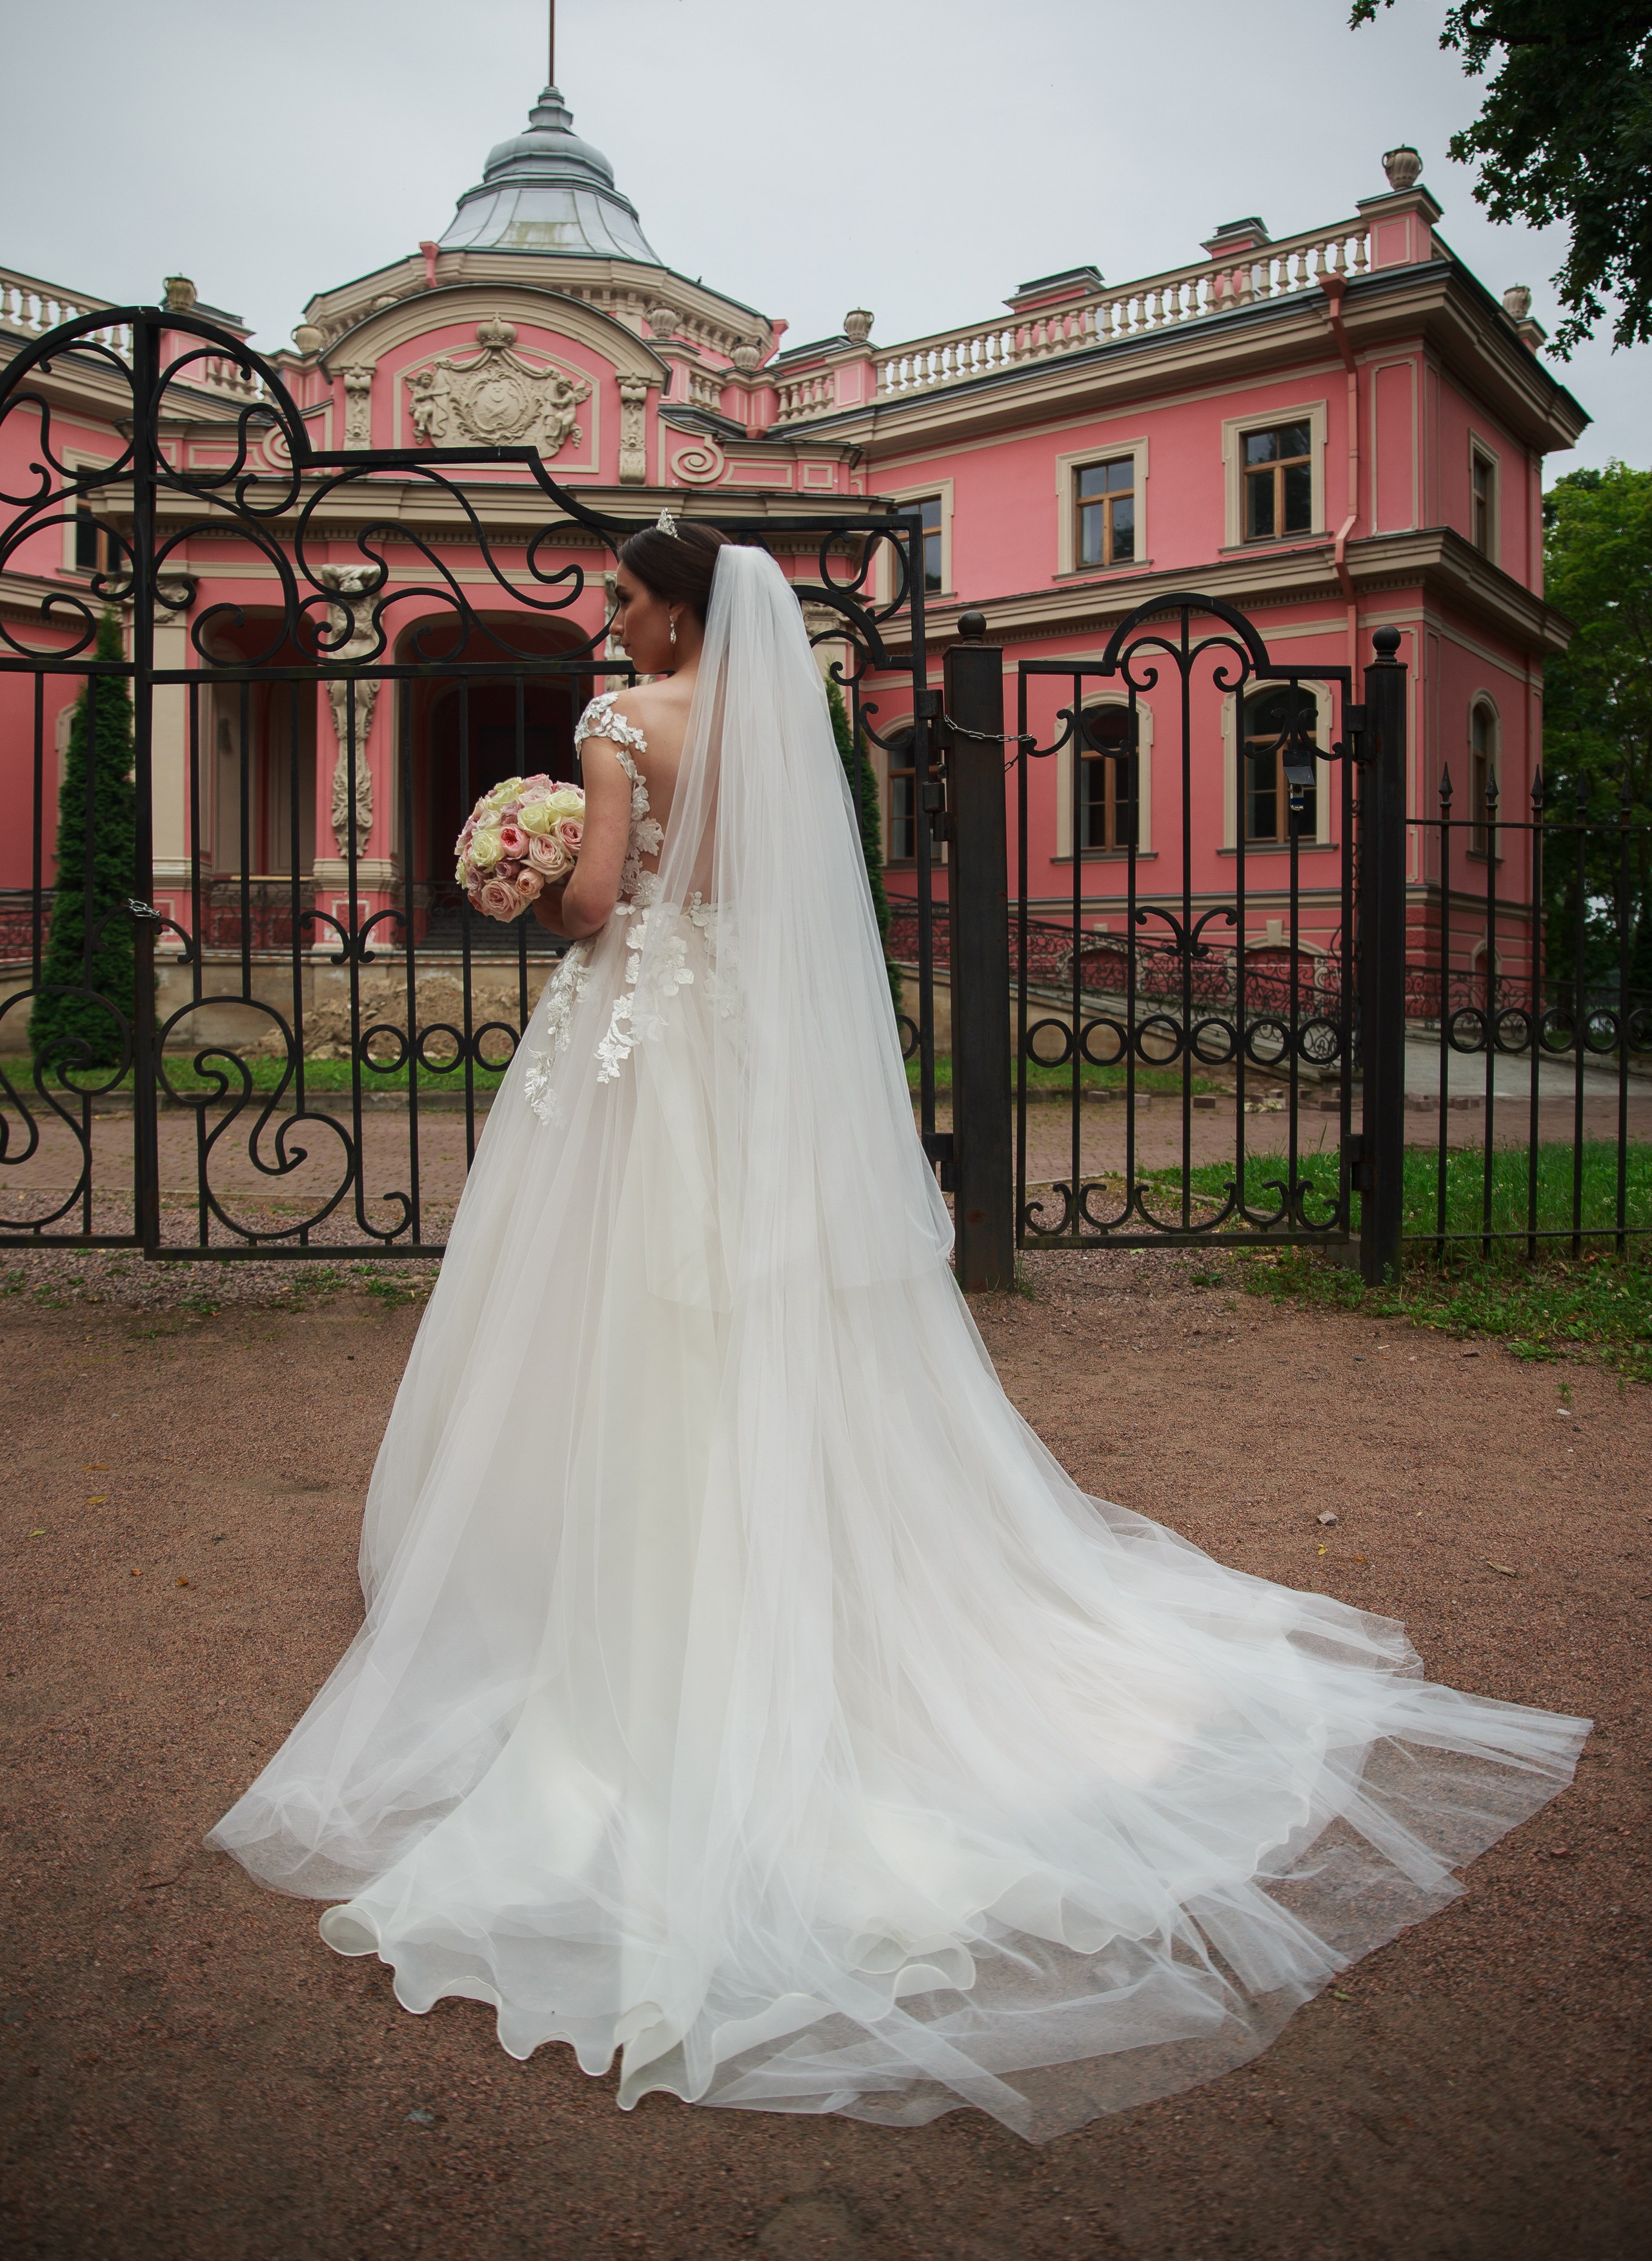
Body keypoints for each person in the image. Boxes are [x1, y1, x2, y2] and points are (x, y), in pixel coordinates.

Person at [210, 524, 1586, 2143]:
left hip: (636, 1045)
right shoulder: (773, 724)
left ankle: (598, 1567)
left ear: (672, 609)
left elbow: (591, 907)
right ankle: (794, 1541)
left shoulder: (617, 719)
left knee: (607, 1291)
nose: (609, 617)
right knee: (760, 1293)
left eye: (623, 597)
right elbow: (764, 906)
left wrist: (513, 879)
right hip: (739, 1050)